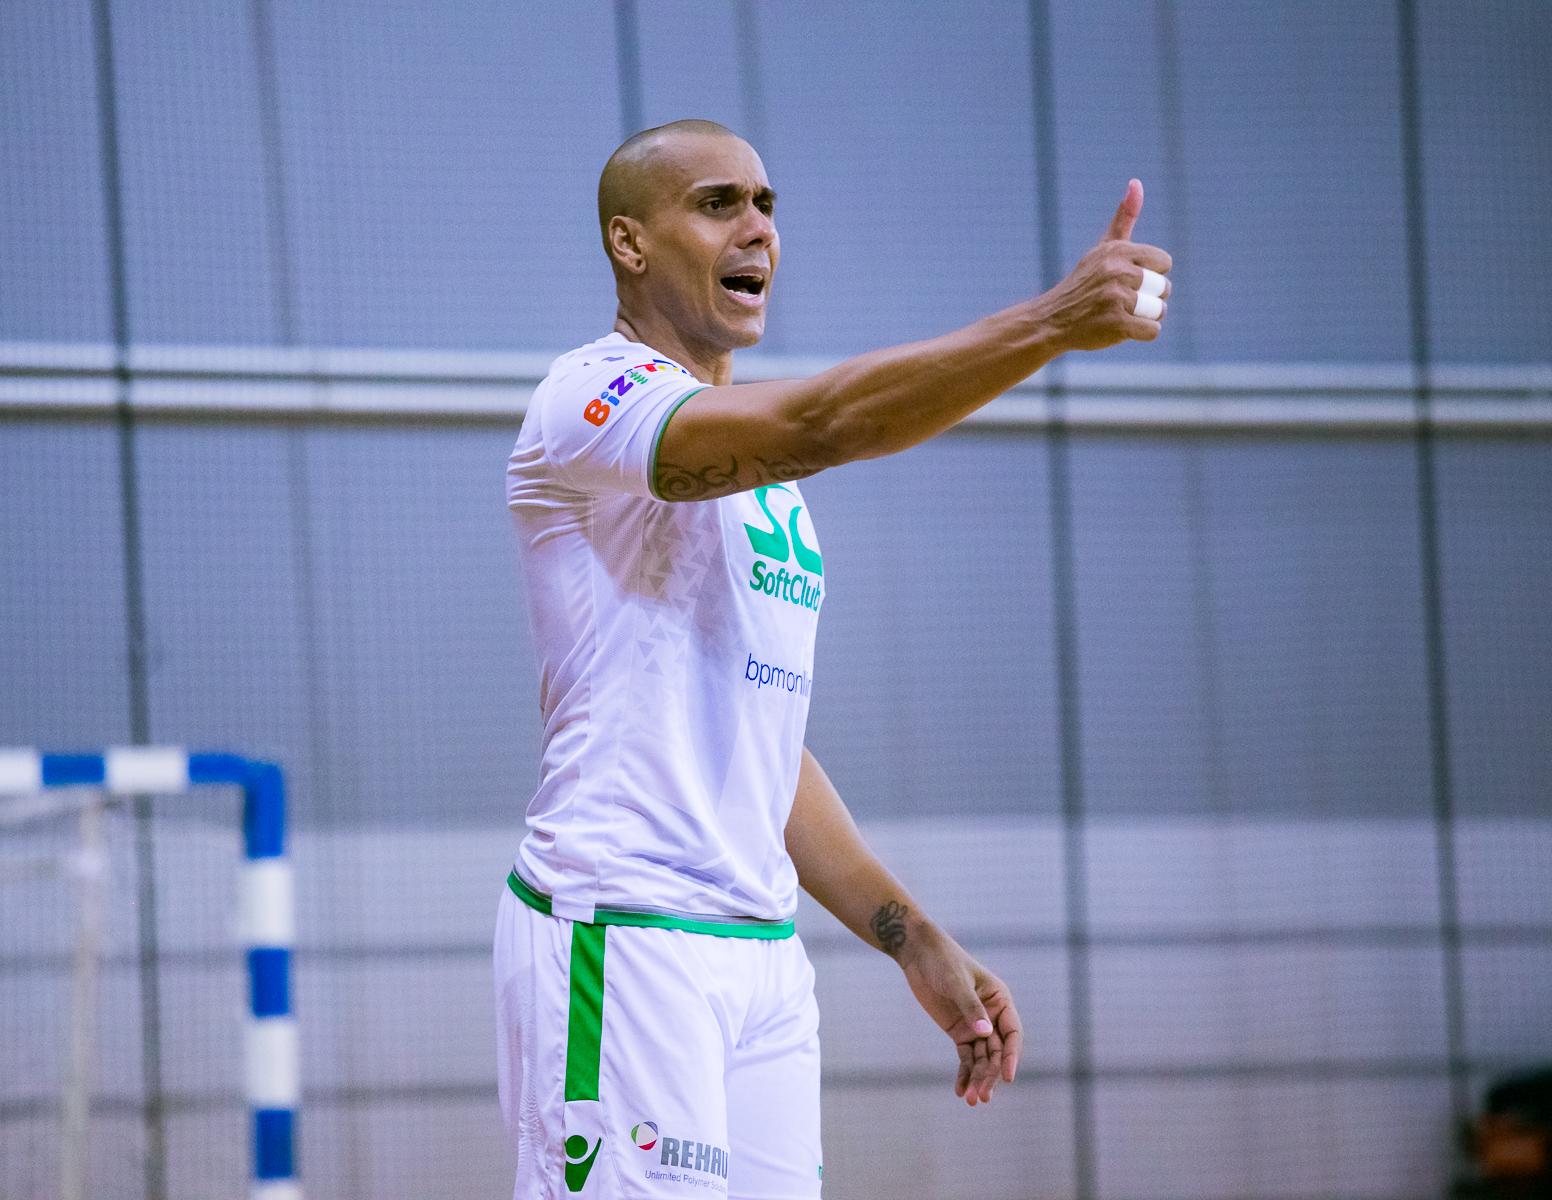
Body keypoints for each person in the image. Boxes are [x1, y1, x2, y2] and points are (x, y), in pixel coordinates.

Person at [498, 118, 1171, 1199]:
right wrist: (1051, 322)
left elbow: (765, 746)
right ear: (630, 242)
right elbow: (826, 421)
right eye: (717, 203)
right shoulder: (590, 394)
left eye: (766, 205)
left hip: (764, 954)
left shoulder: (771, 496)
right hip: (623, 931)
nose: (757, 226)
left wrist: (909, 935)